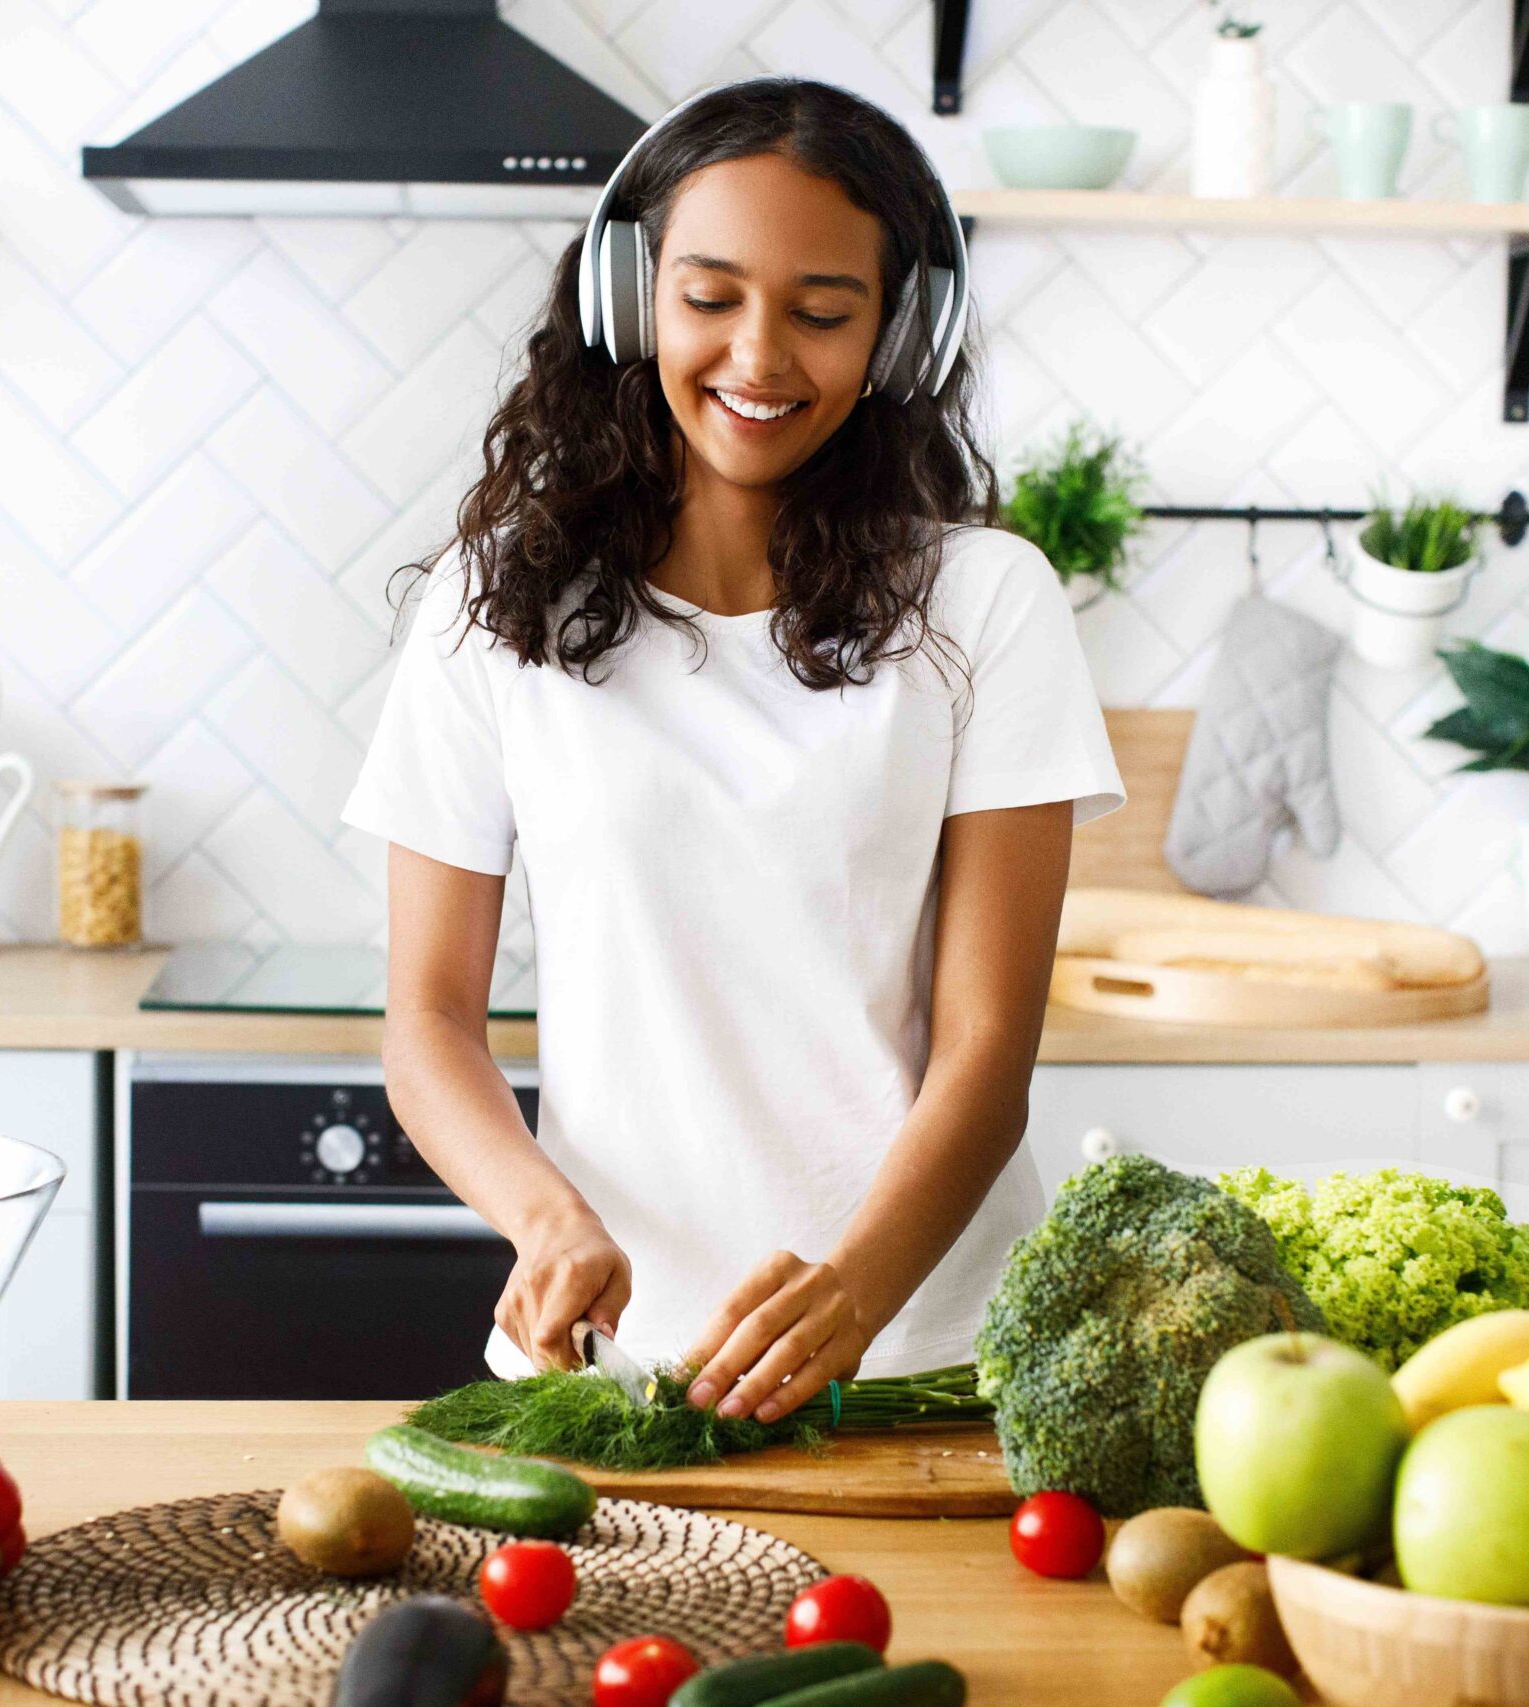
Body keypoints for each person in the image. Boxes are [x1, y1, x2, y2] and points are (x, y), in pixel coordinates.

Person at [341, 78, 1123, 1427]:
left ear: (898, 336)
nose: (760, 356)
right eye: (710, 298)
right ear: (627, 297)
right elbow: (427, 1021)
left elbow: (988, 1043)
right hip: (621, 1361)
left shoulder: (988, 602)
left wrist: (858, 1292)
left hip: (920, 1354)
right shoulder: (497, 609)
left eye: (822, 313)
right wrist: (543, 1219)